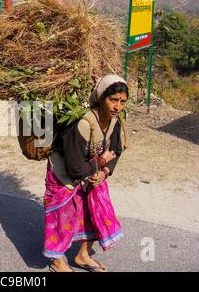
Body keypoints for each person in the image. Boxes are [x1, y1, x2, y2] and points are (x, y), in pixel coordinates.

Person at [43, 74, 128, 272]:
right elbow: (74, 168)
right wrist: (100, 162)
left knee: (94, 212)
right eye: (113, 100)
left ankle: (82, 255)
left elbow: (115, 150)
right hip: (64, 175)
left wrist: (105, 171)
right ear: (101, 98)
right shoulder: (82, 123)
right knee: (63, 216)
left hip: (91, 172)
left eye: (122, 102)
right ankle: (56, 260)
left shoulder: (115, 122)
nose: (117, 106)